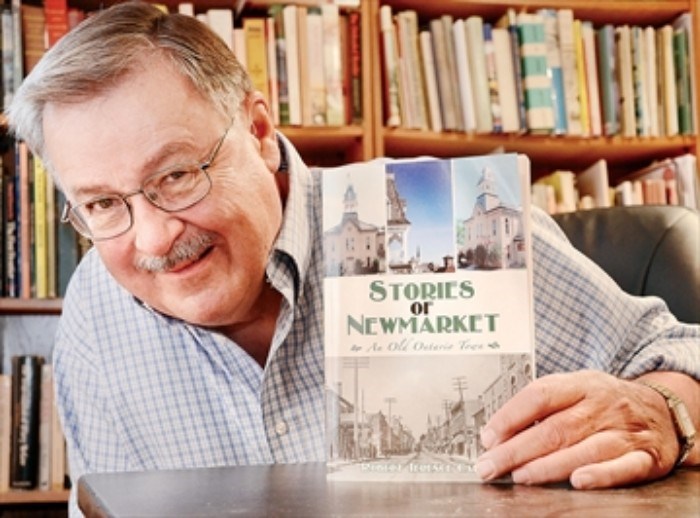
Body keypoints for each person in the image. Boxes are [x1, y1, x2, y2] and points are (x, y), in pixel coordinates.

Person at [6, 1, 698, 515]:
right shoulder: (96, 308)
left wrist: (667, 411)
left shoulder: (452, 223)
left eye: (178, 175)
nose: (153, 238)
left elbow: (678, 357)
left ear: (258, 132)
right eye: (101, 205)